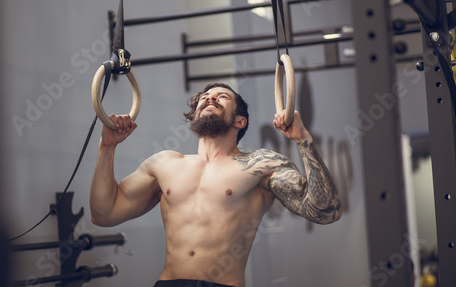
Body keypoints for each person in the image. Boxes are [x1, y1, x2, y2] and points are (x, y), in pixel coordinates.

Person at [90, 83, 342, 287]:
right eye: (205, 97)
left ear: (239, 121)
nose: (210, 99)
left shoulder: (261, 164)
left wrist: (303, 139)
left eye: (222, 97)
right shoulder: (164, 163)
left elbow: (326, 211)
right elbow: (104, 213)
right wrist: (107, 146)